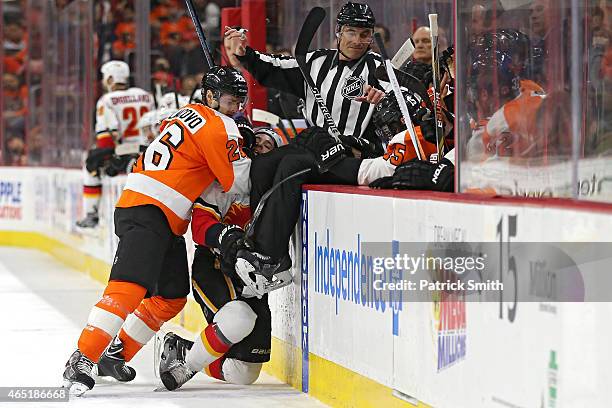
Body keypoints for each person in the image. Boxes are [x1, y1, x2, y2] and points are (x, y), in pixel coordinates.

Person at [61, 66, 251, 395]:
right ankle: (83, 356)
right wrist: (254, 152)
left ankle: (114, 355)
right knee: (128, 288)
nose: (236, 108)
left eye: (240, 102)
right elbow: (240, 181)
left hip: (155, 211)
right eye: (231, 101)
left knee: (171, 296)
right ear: (211, 96)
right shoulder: (222, 125)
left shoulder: (185, 114)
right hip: (151, 210)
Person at [157, 125, 286, 391]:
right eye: (257, 144)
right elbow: (201, 225)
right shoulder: (227, 181)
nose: (260, 150)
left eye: (268, 146)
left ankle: (184, 349)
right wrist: (227, 237)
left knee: (244, 373)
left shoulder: (279, 191)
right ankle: (185, 367)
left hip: (251, 281)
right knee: (239, 319)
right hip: (216, 268)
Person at [224, 2, 388, 158]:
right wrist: (246, 53)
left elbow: (405, 105)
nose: (357, 41)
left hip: (358, 155)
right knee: (265, 163)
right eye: (351, 32)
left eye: (364, 34)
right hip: (316, 147)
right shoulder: (316, 62)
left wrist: (385, 100)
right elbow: (276, 65)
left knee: (288, 165)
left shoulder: (379, 68)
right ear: (339, 31)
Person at [76, 61, 154, 228]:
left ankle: (91, 213)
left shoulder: (107, 100)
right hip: (150, 150)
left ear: (110, 79)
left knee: (90, 164)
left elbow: (106, 140)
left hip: (126, 151)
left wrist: (109, 157)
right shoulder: (145, 95)